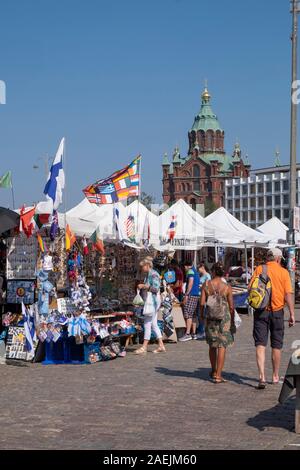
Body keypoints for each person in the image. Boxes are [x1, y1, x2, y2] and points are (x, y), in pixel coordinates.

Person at [249, 248, 295, 389]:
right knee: (276, 345)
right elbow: (288, 294)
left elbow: (250, 288)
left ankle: (262, 376)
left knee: (260, 344)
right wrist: (292, 313)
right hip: (277, 312)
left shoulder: (259, 269)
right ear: (278, 258)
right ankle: (275, 376)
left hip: (261, 311)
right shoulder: (283, 272)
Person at [200, 263, 235, 383]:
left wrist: (201, 315)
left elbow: (202, 303)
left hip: (210, 318)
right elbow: (231, 307)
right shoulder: (227, 287)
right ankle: (218, 375)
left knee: (212, 344)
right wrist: (233, 320)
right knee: (222, 345)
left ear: (213, 271)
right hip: (224, 319)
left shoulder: (206, 285)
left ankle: (214, 370)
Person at [135, 258, 166, 355]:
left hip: (152, 301)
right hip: (151, 301)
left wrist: (144, 286)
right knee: (153, 324)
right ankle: (161, 344)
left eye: (142, 266)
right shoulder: (148, 274)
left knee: (147, 323)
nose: (141, 268)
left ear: (148, 265)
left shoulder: (153, 274)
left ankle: (144, 346)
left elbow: (156, 289)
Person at [180, 261, 201, 342]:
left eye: (184, 267)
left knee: (188, 314)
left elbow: (191, 282)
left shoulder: (190, 271)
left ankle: (188, 333)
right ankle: (194, 333)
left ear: (186, 266)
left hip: (191, 295)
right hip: (196, 295)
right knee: (194, 314)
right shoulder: (195, 271)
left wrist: (186, 294)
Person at [197, 263, 211, 340]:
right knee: (200, 314)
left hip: (204, 297)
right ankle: (201, 329)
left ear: (202, 267)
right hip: (199, 296)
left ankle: (203, 331)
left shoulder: (207, 276)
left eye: (199, 268)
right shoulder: (201, 276)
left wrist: (201, 286)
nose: (198, 270)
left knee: (203, 314)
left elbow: (207, 286)